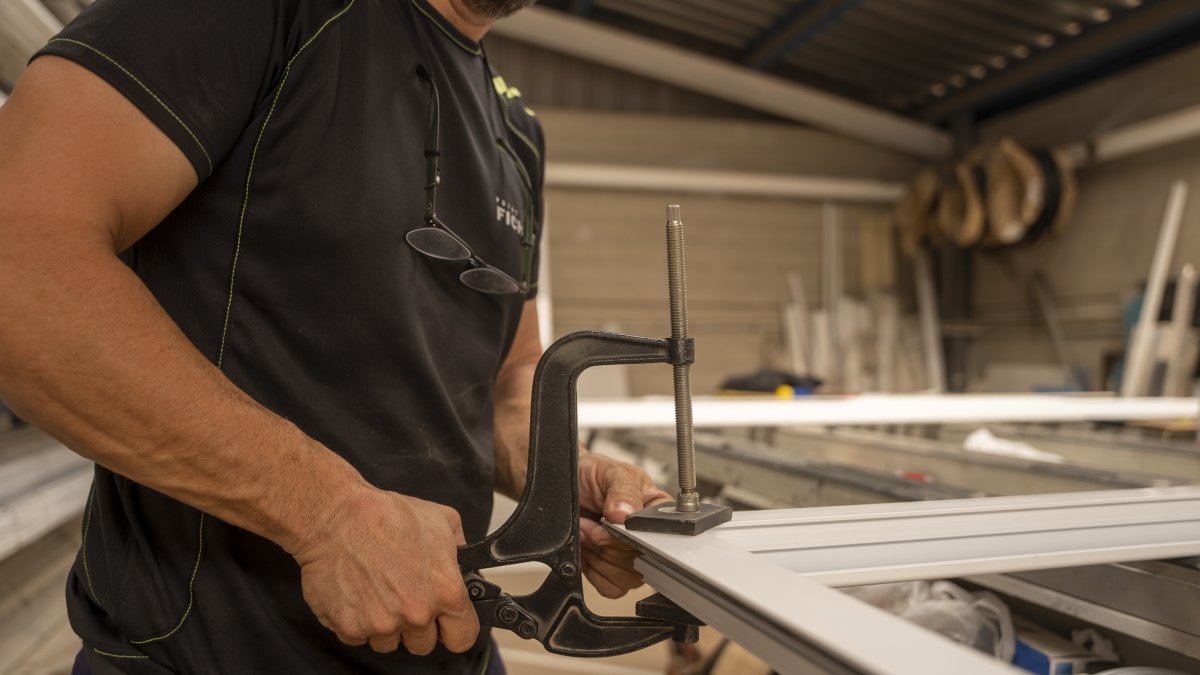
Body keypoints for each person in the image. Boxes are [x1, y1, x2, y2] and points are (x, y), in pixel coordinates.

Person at [0, 0, 670, 672]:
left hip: (450, 646)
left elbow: (507, 378)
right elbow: (21, 264)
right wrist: (325, 513)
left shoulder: (519, 134)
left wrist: (561, 473)